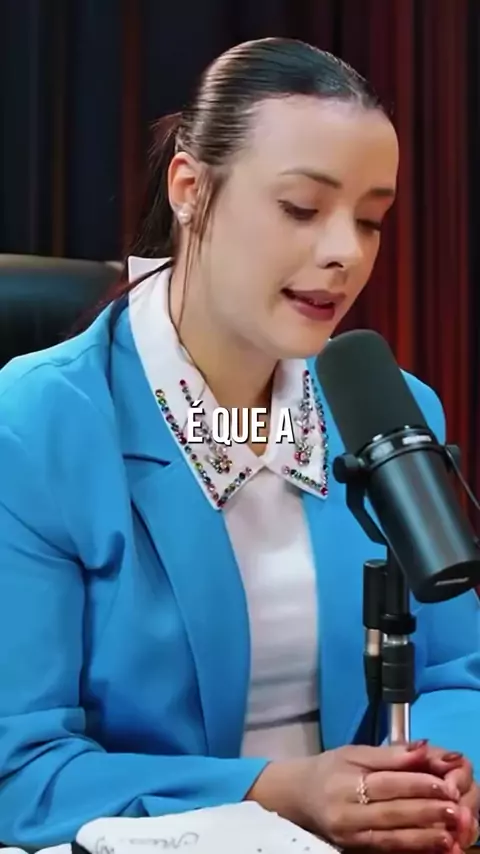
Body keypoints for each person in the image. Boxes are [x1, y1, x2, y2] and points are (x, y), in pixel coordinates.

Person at [0, 36, 478, 853]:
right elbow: (21, 769)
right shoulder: (39, 423)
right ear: (190, 189)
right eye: (302, 208)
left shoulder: (387, 410)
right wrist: (283, 792)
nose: (345, 251)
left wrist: (445, 780)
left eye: (370, 220)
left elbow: (456, 673)